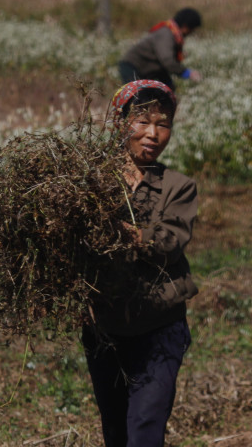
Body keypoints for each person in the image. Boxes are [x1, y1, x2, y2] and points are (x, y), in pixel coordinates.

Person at [82, 80, 199, 447]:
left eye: (163, 124)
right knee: (115, 430)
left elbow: (169, 242)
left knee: (146, 428)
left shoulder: (177, 187)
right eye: (142, 121)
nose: (153, 133)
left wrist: (120, 231)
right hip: (104, 326)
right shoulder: (89, 183)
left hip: (159, 326)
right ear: (119, 124)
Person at [119, 8, 203, 91]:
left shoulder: (172, 34)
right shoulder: (166, 34)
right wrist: (187, 73)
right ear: (185, 26)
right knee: (136, 97)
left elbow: (162, 65)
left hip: (147, 70)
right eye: (192, 29)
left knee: (164, 94)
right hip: (133, 67)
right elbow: (167, 61)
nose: (191, 33)